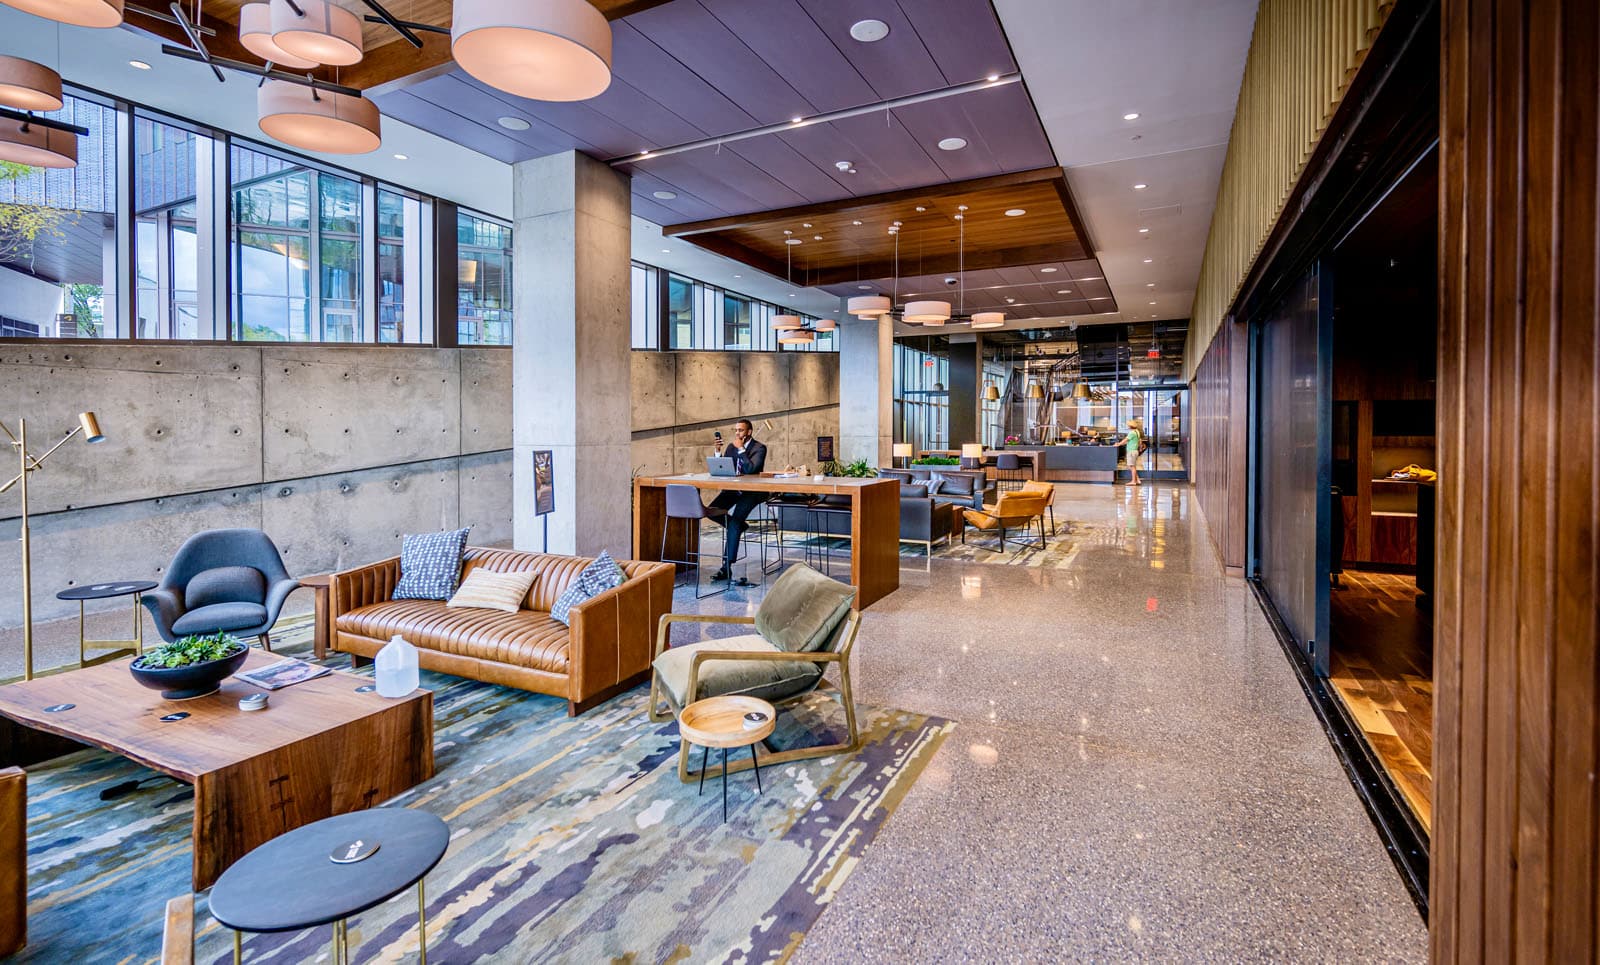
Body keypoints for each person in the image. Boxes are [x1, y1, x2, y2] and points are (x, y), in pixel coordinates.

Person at [708, 418, 767, 580]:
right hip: (734, 489)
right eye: (735, 430)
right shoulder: (730, 447)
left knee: (733, 523)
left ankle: (726, 567)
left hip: (753, 491)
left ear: (749, 432)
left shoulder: (759, 448)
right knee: (712, 511)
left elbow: (751, 469)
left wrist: (741, 450)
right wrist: (718, 452)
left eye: (740, 430)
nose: (737, 433)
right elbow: (723, 468)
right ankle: (739, 526)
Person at [1123, 419, 1143, 486]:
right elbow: (1140, 441)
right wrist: (1140, 448)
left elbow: (1126, 440)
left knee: (1131, 466)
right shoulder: (1137, 431)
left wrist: (1118, 444)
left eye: (1128, 425)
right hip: (1135, 451)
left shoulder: (1132, 433)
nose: (1127, 426)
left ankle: (1133, 481)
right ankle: (1137, 480)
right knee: (1132, 466)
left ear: (1130, 426)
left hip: (1131, 451)